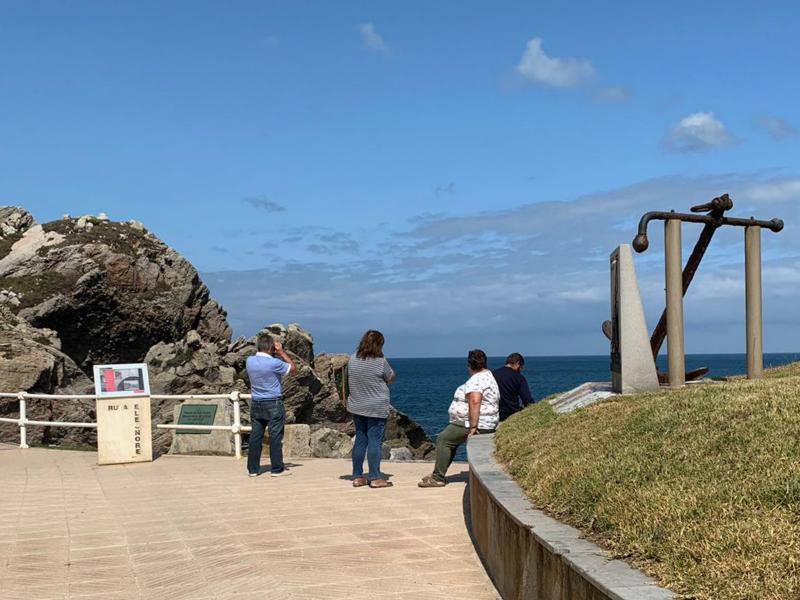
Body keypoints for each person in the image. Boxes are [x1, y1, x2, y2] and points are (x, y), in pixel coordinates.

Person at [418, 349, 499, 488]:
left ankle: (438, 477)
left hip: (476, 423)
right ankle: (438, 474)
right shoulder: (488, 376)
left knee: (444, 438)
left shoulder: (477, 379)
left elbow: (475, 401)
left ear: (469, 365)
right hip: (486, 421)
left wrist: (473, 426)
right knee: (451, 442)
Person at [347, 330, 396, 489]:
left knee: (360, 440)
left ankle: (357, 476)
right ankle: (375, 477)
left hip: (357, 405)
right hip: (376, 407)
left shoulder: (353, 358)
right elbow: (391, 377)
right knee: (374, 442)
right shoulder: (380, 361)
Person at [245, 334, 295, 477]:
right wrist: (281, 352)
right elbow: (293, 369)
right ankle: (277, 469)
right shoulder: (274, 363)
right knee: (275, 437)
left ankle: (253, 469)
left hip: (256, 403)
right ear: (270, 347)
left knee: (255, 436)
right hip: (273, 402)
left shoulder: (250, 361)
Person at [492, 353, 533, 421]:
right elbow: (527, 400)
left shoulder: (493, 374)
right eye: (521, 367)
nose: (520, 370)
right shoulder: (519, 378)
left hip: (495, 413)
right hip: (511, 413)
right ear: (518, 363)